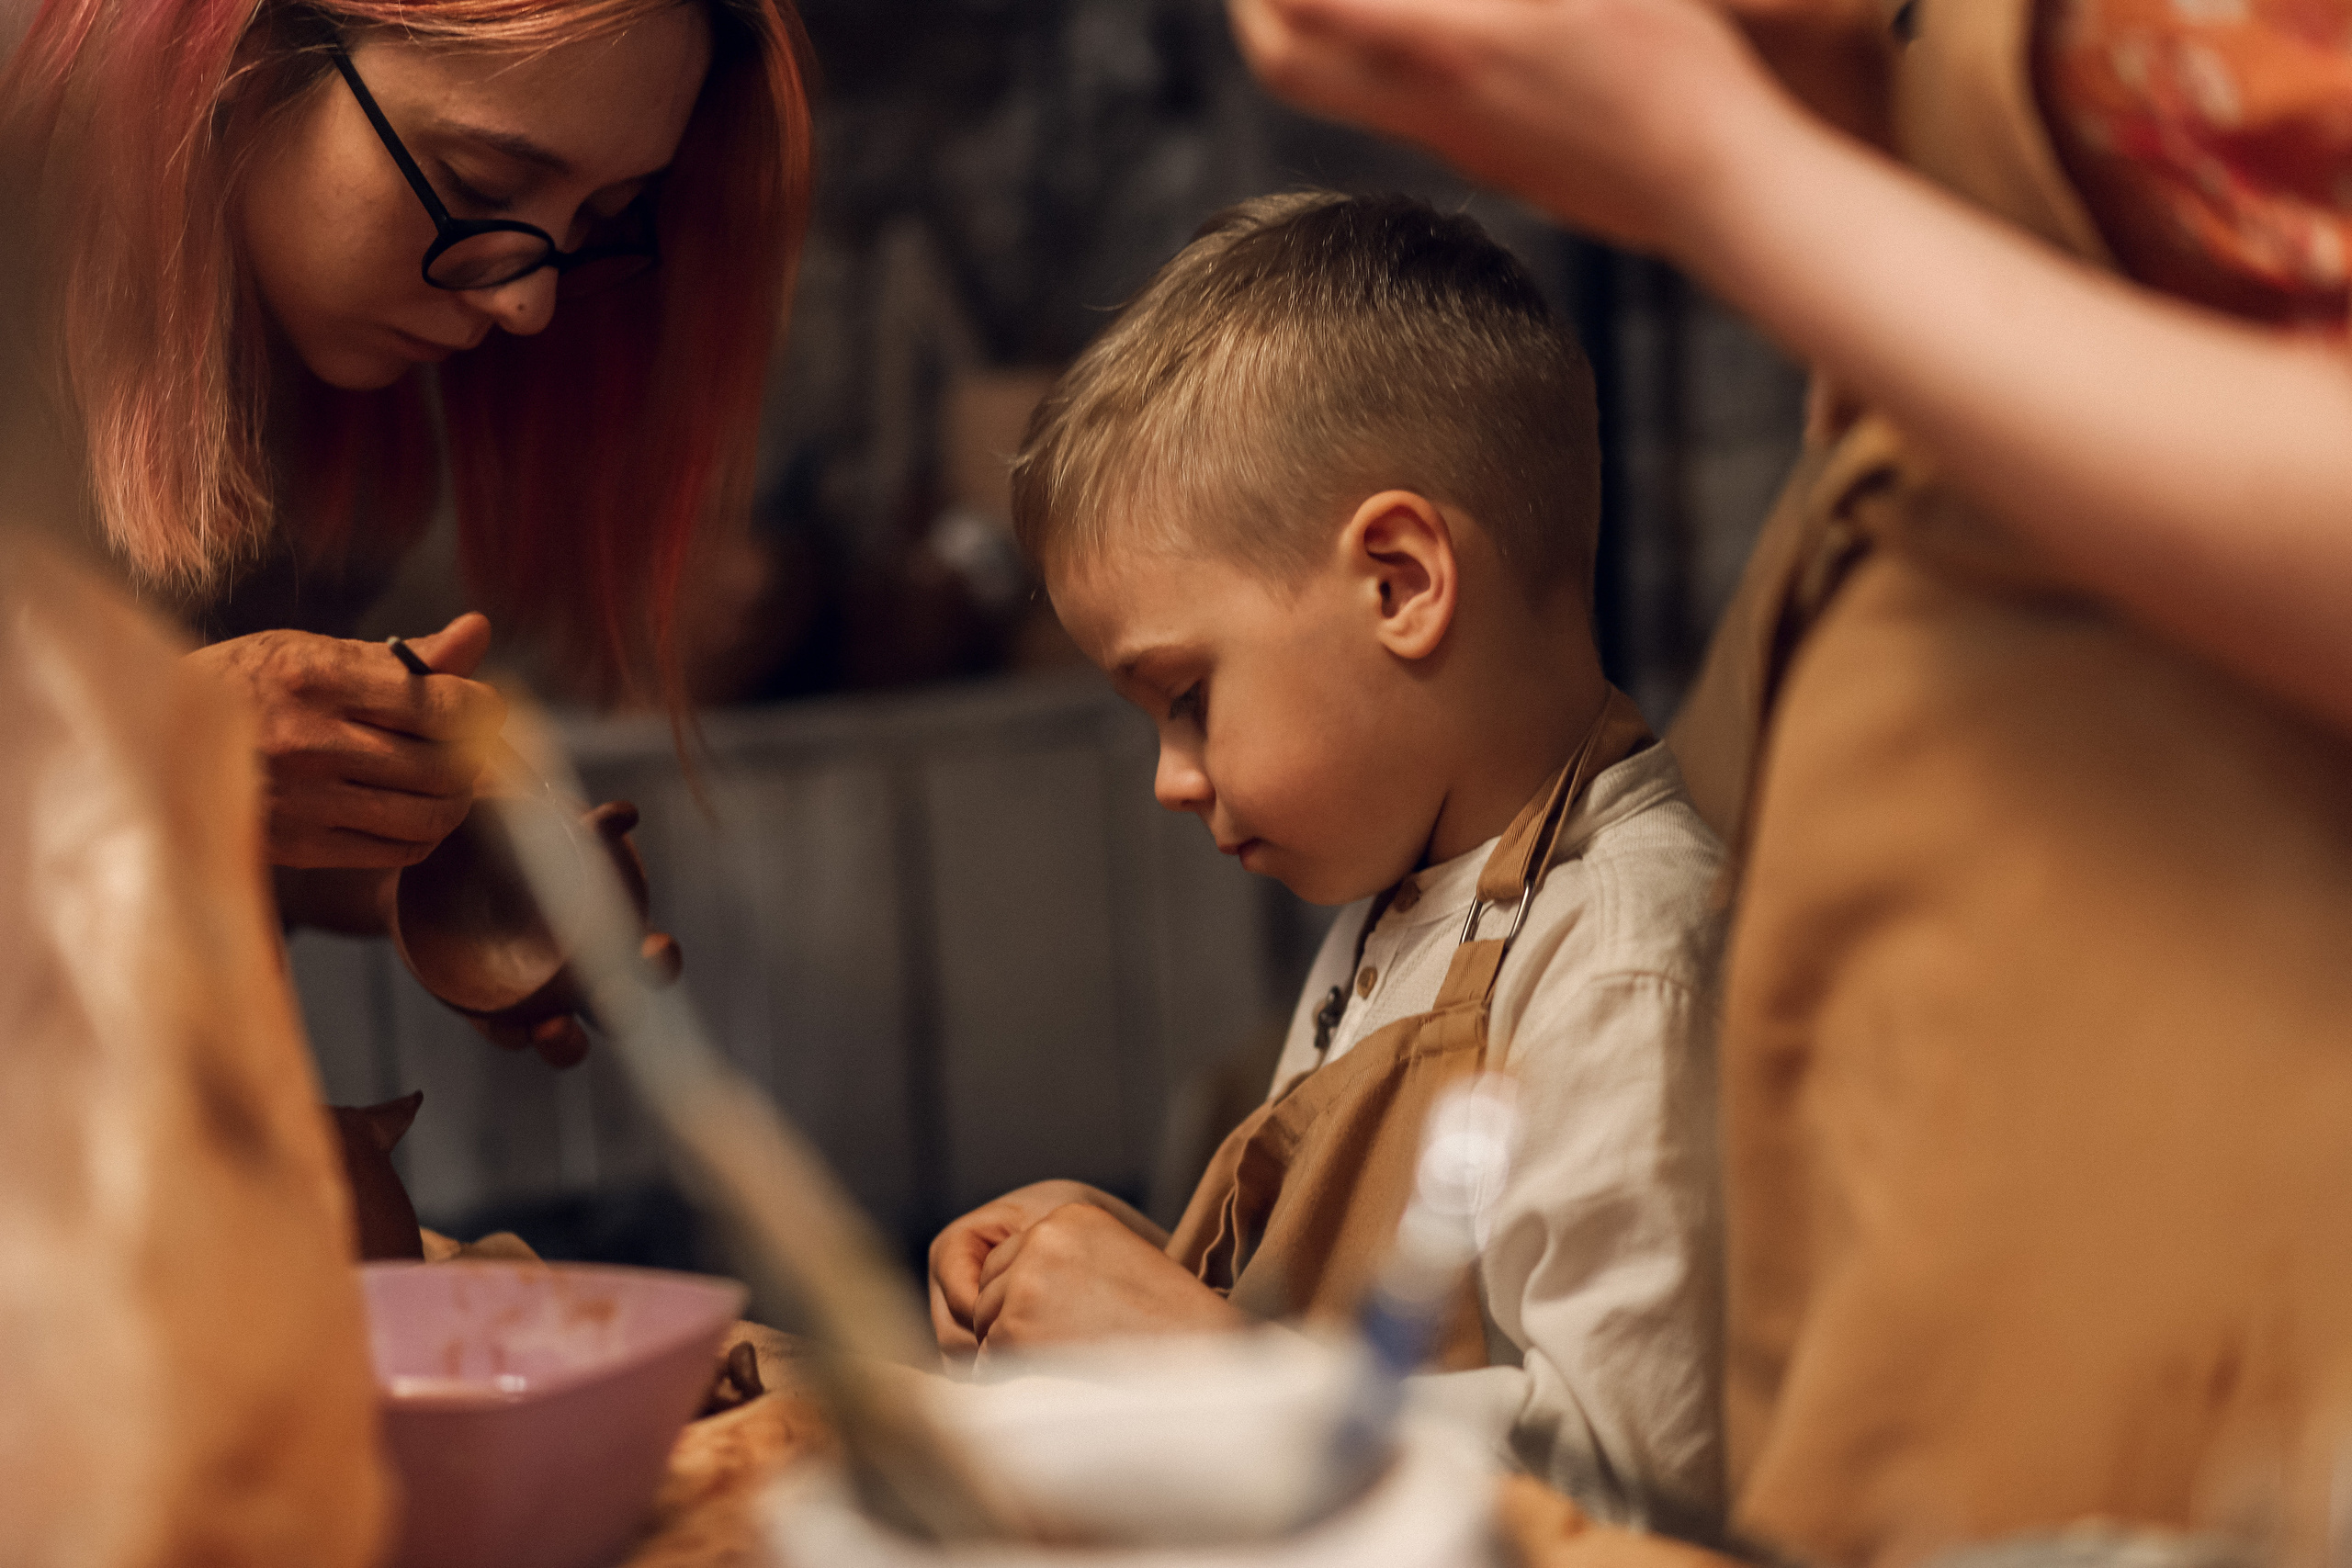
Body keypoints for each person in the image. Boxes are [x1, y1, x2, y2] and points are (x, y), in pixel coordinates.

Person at [1225, 2, 2352, 1566]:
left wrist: (1712, 155)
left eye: (1186, 696)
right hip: (1970, 1191)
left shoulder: (1610, 937)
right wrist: (1806, 101)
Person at [926, 191, 1728, 1523]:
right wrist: (1130, 1270)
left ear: (1402, 582)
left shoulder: (1624, 966)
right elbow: (1360, 1324)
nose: (1174, 780)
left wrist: (1209, 1368)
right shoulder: (1413, 906)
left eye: (1185, 695)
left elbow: (1644, 1486)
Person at [0, 0, 812, 1060]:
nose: (530, 305)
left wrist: (397, 869)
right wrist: (146, 744)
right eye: (479, 185)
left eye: (600, 218)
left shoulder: (291, 386)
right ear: (243, 56)